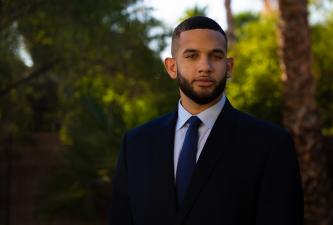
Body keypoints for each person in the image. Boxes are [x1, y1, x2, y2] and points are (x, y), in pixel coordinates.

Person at [109, 16, 303, 225]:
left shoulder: (270, 144)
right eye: (192, 56)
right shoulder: (136, 143)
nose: (205, 66)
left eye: (216, 56)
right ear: (172, 67)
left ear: (229, 67)